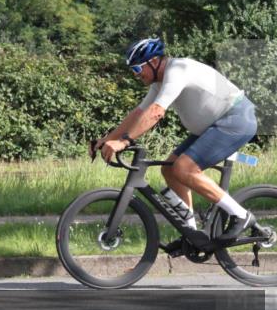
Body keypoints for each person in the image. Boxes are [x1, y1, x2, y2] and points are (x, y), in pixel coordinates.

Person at [92, 37, 259, 244]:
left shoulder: (178, 71)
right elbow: (138, 113)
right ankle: (191, 234)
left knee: (184, 169)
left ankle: (241, 215)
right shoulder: (159, 82)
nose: (135, 75)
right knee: (170, 170)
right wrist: (108, 138)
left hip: (235, 119)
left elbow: (155, 113)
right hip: (213, 127)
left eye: (136, 69)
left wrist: (124, 141)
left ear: (153, 62)